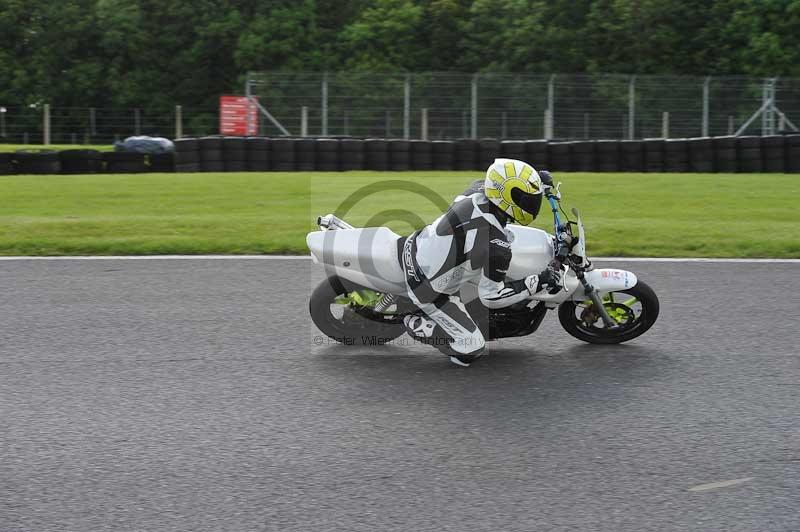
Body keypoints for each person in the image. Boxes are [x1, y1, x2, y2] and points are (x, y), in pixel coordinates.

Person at [401, 158, 564, 367]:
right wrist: (538, 281)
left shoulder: (479, 190)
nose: (532, 204)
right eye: (527, 200)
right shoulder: (496, 246)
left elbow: (499, 182)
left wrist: (539, 182)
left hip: (419, 242)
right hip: (427, 287)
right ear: (508, 199)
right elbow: (492, 297)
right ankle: (414, 321)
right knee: (471, 348)